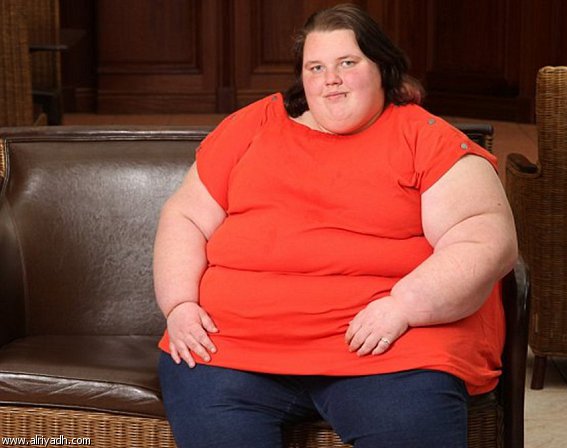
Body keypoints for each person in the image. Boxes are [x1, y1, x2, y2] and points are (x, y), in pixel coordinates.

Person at [153, 4, 518, 448]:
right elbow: (185, 216)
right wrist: (179, 304)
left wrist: (404, 306)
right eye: (316, 67)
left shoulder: (426, 138)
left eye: (347, 63)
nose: (331, 79)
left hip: (389, 348)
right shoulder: (251, 127)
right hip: (232, 348)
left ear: (382, 68)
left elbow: (484, 238)